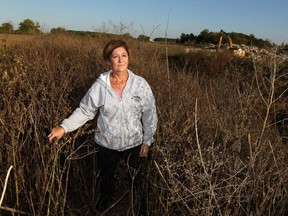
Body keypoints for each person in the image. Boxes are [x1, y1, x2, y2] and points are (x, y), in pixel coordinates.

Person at [48, 39, 158, 212]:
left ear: (129, 58)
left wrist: (147, 139)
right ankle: (104, 205)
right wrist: (64, 127)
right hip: (106, 144)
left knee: (137, 181)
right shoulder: (100, 86)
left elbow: (149, 112)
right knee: (106, 180)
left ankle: (140, 209)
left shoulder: (140, 85)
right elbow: (85, 111)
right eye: (115, 56)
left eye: (124, 55)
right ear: (109, 60)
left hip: (134, 144)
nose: (120, 60)